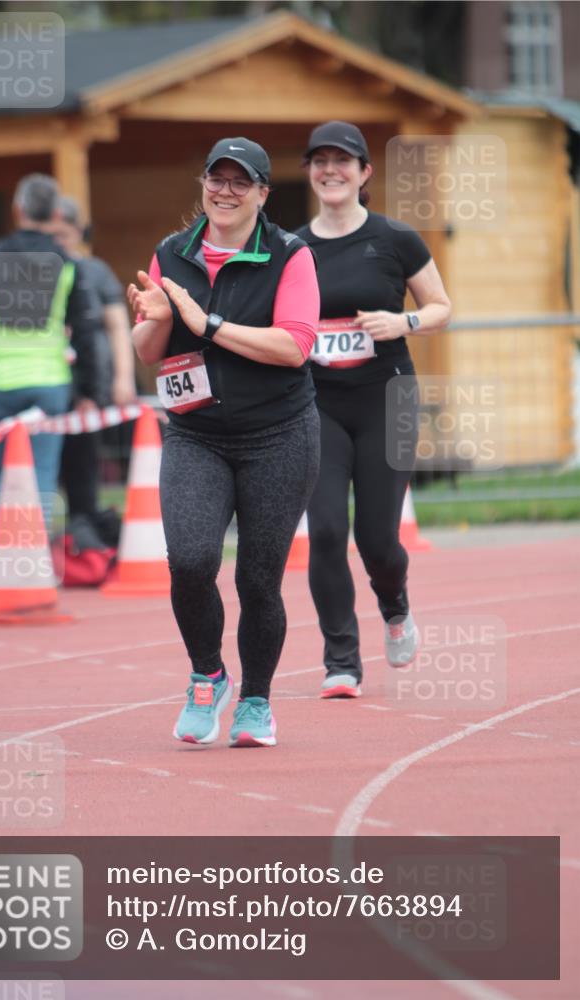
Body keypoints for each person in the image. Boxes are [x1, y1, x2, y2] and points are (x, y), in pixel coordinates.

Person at [129, 137, 320, 748]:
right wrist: (157, 319)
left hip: (279, 435)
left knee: (258, 581)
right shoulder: (170, 253)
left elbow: (294, 346)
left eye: (243, 182)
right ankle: (207, 677)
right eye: (218, 178)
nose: (227, 191)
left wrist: (204, 322)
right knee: (189, 562)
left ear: (264, 194)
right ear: (203, 183)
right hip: (195, 434)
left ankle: (257, 701)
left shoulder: (291, 256)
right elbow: (146, 351)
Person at [296, 121, 451, 698]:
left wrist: (402, 321)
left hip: (389, 397)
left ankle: (395, 605)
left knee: (377, 539)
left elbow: (441, 306)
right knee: (328, 529)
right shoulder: (293, 248)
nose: (330, 171)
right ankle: (341, 660)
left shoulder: (395, 238)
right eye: (320, 161)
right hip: (318, 404)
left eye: (343, 161)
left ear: (364, 173)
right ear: (310, 172)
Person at [0, 174, 101, 574]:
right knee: (41, 475)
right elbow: (86, 333)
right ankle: (30, 565)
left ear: (18, 210)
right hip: (49, 382)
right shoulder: (67, 262)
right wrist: (90, 389)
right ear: (55, 214)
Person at [53, 196, 136, 544]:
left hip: (87, 382)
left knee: (84, 463)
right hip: (49, 382)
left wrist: (123, 377)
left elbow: (118, 325)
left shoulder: (95, 271)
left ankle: (85, 537)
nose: (56, 241)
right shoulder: (35, 270)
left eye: (62, 233)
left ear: (76, 231)